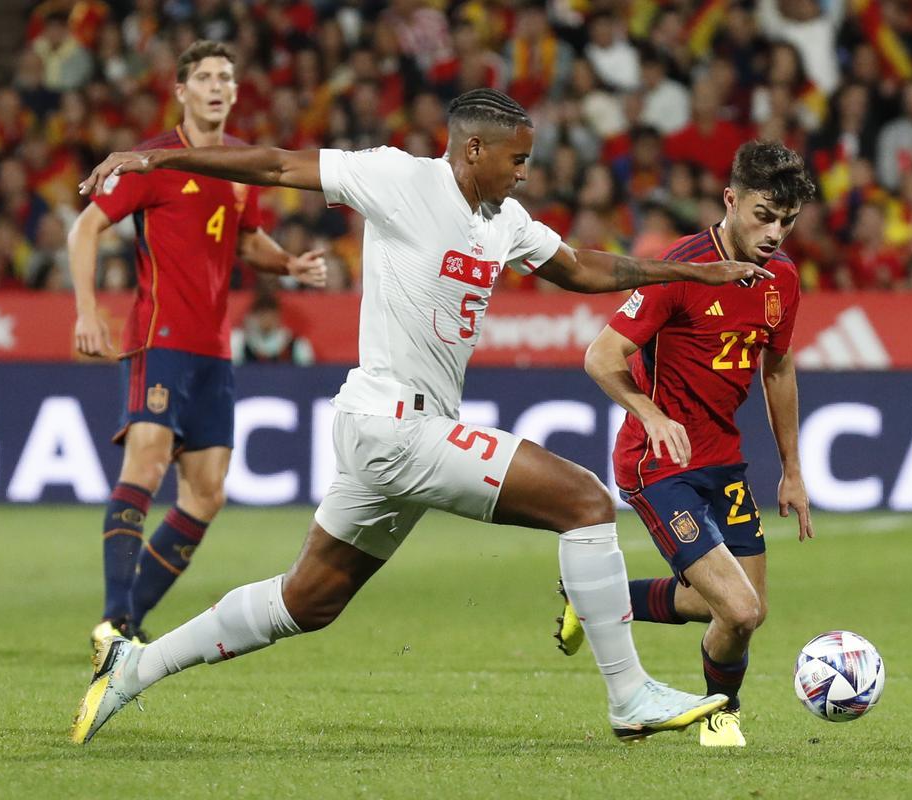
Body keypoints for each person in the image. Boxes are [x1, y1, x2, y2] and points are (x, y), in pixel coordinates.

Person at [70, 88, 775, 746]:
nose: (526, 173)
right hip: (393, 424)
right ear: (475, 151)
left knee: (307, 601)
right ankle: (629, 697)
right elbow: (278, 164)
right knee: (587, 502)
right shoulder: (397, 180)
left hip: (401, 433)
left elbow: (584, 269)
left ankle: (133, 668)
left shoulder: (504, 221)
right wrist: (158, 157)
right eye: (518, 160)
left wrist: (690, 273)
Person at [555, 140, 816, 748]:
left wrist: (793, 470)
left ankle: (596, 597)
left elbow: (777, 369)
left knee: (734, 608)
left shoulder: (782, 279)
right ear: (731, 199)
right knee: (740, 609)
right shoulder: (682, 267)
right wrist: (650, 415)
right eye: (763, 215)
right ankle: (722, 711)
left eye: (787, 220)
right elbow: (600, 356)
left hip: (722, 457)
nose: (776, 232)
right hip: (660, 463)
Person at [68, 40, 327, 648]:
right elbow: (85, 229)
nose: (216, 86)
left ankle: (126, 621)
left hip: (215, 351)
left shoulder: (241, 166)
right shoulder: (151, 161)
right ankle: (114, 621)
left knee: (207, 495)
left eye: (226, 78)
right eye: (204, 77)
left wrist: (288, 264)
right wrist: (87, 310)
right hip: (159, 340)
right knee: (148, 462)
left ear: (236, 93)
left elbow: (246, 240)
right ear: (181, 91)